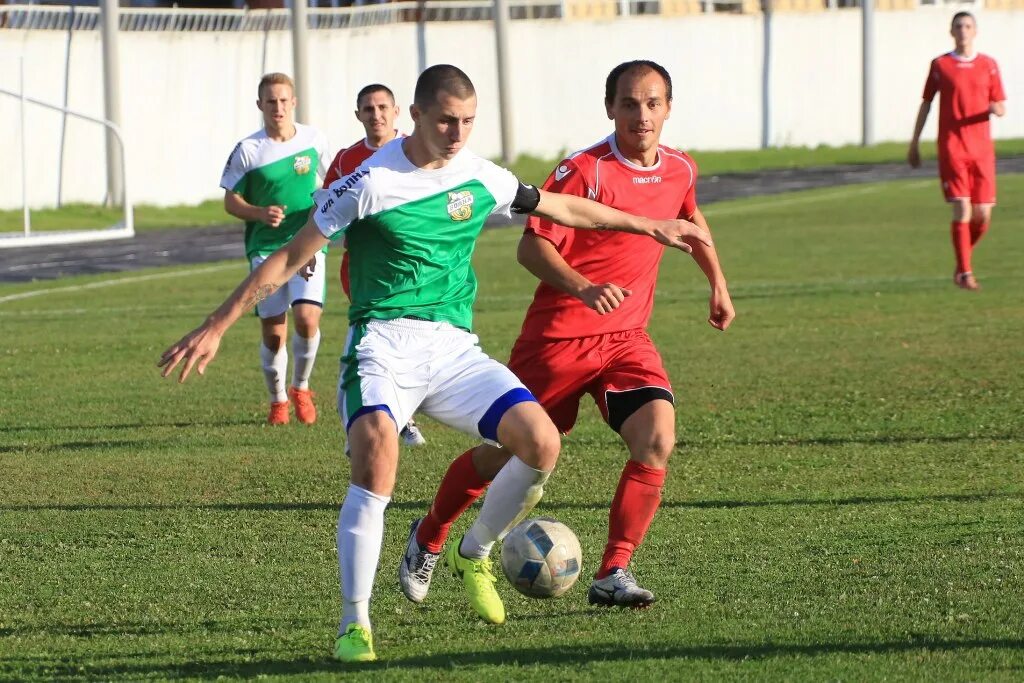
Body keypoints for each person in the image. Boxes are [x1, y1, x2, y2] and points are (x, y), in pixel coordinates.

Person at [159, 64, 711, 664]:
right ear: (416, 115)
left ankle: (472, 552)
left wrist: (650, 225)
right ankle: (356, 624)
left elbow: (568, 209)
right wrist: (217, 324)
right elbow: (289, 257)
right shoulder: (368, 182)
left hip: (452, 348)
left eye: (469, 121)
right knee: (378, 462)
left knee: (542, 443)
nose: (457, 133)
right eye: (447, 119)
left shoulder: (480, 176)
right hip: (382, 345)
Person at [399, 60, 735, 612]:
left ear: (668, 108)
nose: (641, 115)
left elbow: (692, 223)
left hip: (626, 339)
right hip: (557, 341)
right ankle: (432, 533)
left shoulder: (680, 169)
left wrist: (718, 284)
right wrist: (582, 288)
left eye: (652, 103)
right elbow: (530, 246)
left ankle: (614, 570)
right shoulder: (584, 170)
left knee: (656, 438)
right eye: (628, 103)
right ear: (610, 108)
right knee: (502, 457)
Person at [220, 72, 330, 425]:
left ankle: (301, 386)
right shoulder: (248, 149)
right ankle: (278, 399)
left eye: (284, 101)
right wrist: (258, 212)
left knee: (307, 317)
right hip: (265, 249)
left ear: (293, 102)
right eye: (271, 101)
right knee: (274, 331)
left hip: (306, 243)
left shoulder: (314, 140)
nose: (278, 107)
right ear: (260, 105)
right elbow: (230, 201)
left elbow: (334, 183)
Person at [323, 83, 426, 447]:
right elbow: (324, 211)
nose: (376, 115)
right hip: (364, 269)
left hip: (414, 267)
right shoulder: (345, 160)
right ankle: (367, 420)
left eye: (383, 107)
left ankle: (395, 415)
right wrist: (312, 252)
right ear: (358, 115)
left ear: (396, 112)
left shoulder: (417, 150)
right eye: (369, 109)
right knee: (374, 341)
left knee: (410, 336)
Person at [908, 11, 1006, 291]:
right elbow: (926, 103)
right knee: (962, 207)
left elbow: (999, 103)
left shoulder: (989, 65)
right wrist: (914, 141)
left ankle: (963, 260)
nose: (963, 30)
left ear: (975, 31)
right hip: (953, 147)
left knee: (983, 217)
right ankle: (964, 272)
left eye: (967, 26)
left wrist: (996, 109)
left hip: (982, 150)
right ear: (951, 31)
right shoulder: (941, 65)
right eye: (958, 26)